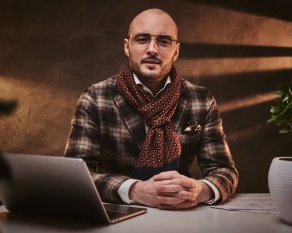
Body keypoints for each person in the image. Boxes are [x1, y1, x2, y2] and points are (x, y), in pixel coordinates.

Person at [64, 8, 238, 209]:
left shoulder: (201, 99)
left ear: (176, 51)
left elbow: (225, 171)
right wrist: (135, 190)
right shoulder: (96, 97)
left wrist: (199, 190)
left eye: (164, 41)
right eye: (142, 39)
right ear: (127, 47)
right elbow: (75, 175)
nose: (153, 49)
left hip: (181, 216)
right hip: (115, 215)